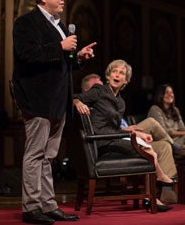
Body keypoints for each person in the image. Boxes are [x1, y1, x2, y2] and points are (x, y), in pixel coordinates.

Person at [11, 0, 97, 224]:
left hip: (58, 101)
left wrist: (78, 57)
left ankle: (48, 205)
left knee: (49, 157)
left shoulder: (60, 25)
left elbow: (62, 64)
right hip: (37, 100)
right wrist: (61, 46)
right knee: (35, 155)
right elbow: (27, 54)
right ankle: (31, 207)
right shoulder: (26, 23)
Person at [73, 60, 173, 212]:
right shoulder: (99, 90)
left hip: (112, 139)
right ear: (108, 75)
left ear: (125, 80)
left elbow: (113, 128)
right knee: (148, 153)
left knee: (148, 151)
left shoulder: (121, 102)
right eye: (114, 71)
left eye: (121, 73)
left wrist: (133, 131)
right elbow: (75, 96)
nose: (117, 75)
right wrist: (77, 102)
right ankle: (159, 181)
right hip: (100, 142)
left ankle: (151, 197)